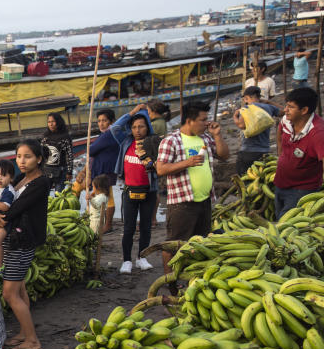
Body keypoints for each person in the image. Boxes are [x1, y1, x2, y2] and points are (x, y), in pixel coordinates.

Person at [155, 101, 229, 278]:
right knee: (174, 244)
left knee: (200, 243)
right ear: (189, 120)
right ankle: (170, 281)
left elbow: (225, 156)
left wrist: (217, 135)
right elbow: (161, 169)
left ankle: (191, 277)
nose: (206, 123)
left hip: (204, 201)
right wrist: (187, 163)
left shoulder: (206, 138)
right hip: (182, 203)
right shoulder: (171, 141)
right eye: (203, 120)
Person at [0, 140, 50, 349]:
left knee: (9, 294)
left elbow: (16, 209)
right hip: (14, 239)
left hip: (23, 241)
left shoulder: (40, 182)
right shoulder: (21, 178)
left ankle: (32, 341)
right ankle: (23, 332)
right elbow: (6, 200)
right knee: (20, 290)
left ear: (38, 159)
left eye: (27, 156)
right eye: (18, 156)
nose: (21, 161)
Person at [114, 111, 159, 273]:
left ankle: (142, 258)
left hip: (149, 191)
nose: (137, 130)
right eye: (134, 127)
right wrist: (131, 113)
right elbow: (115, 128)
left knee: (146, 226)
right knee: (128, 228)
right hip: (129, 191)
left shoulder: (153, 142)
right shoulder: (126, 142)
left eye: (141, 126)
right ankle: (127, 260)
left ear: (147, 127)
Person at [273, 87, 324, 219]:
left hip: (302, 191)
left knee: (285, 227)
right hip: (280, 183)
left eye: (290, 107)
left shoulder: (317, 134)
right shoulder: (286, 120)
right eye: (286, 105)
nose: (285, 110)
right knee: (279, 218)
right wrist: (281, 155)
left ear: (304, 110)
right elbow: (279, 132)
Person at [232, 86, 280, 176]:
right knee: (261, 178)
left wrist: (235, 116)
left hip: (248, 150)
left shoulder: (246, 108)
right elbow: (284, 111)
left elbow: (241, 125)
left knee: (244, 178)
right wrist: (269, 102)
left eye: (245, 99)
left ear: (246, 98)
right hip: (264, 150)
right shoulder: (269, 107)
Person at [87, 109, 119, 233]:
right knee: (103, 196)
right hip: (104, 169)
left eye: (104, 120)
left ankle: (108, 225)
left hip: (106, 170)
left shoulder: (109, 134)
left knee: (107, 196)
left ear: (111, 122)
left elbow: (92, 149)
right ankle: (102, 222)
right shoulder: (106, 134)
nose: (101, 124)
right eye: (99, 121)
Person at [42, 112, 73, 191]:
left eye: (53, 121)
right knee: (44, 195)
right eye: (49, 122)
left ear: (58, 122)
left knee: (58, 196)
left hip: (61, 172)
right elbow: (41, 154)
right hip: (47, 171)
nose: (51, 124)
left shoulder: (65, 137)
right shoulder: (46, 137)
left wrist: (69, 172)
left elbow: (69, 155)